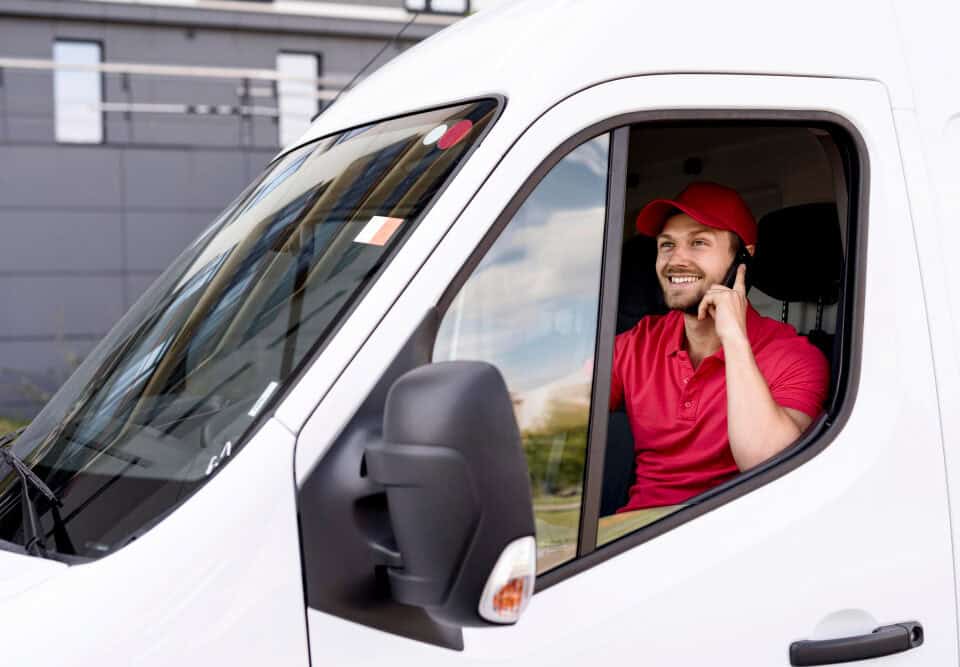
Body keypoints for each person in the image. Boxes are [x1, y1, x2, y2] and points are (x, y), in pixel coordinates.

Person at [610, 182, 829, 513]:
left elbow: (766, 466)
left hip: (728, 542)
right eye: (666, 245)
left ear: (744, 257)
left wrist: (734, 340)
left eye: (698, 243)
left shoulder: (796, 358)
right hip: (632, 538)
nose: (675, 260)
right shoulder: (639, 341)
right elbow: (558, 412)